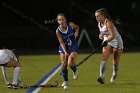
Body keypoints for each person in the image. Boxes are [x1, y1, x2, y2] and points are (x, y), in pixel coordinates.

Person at [95, 8, 123, 84]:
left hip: (117, 42)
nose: (96, 18)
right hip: (108, 42)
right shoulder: (99, 24)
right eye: (96, 16)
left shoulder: (108, 23)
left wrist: (106, 41)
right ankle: (102, 77)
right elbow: (102, 33)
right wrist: (100, 36)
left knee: (115, 62)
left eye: (98, 16)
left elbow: (113, 35)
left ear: (103, 16)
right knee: (104, 59)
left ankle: (114, 74)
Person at [56, 13, 79, 89]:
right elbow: (61, 42)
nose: (61, 21)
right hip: (63, 47)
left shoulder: (71, 25)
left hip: (73, 45)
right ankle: (66, 81)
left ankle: (74, 70)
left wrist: (76, 34)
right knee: (64, 65)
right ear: (58, 21)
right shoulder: (58, 31)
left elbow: (77, 27)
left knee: (70, 63)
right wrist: (65, 52)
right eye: (59, 20)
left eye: (62, 19)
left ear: (65, 19)